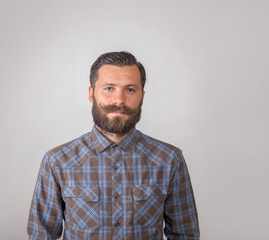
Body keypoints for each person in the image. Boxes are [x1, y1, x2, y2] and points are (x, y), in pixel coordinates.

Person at [27, 51, 200, 240]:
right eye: (109, 88)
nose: (119, 100)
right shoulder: (57, 161)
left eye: (130, 90)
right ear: (91, 94)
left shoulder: (169, 160)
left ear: (142, 96)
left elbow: (185, 234)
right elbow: (41, 235)